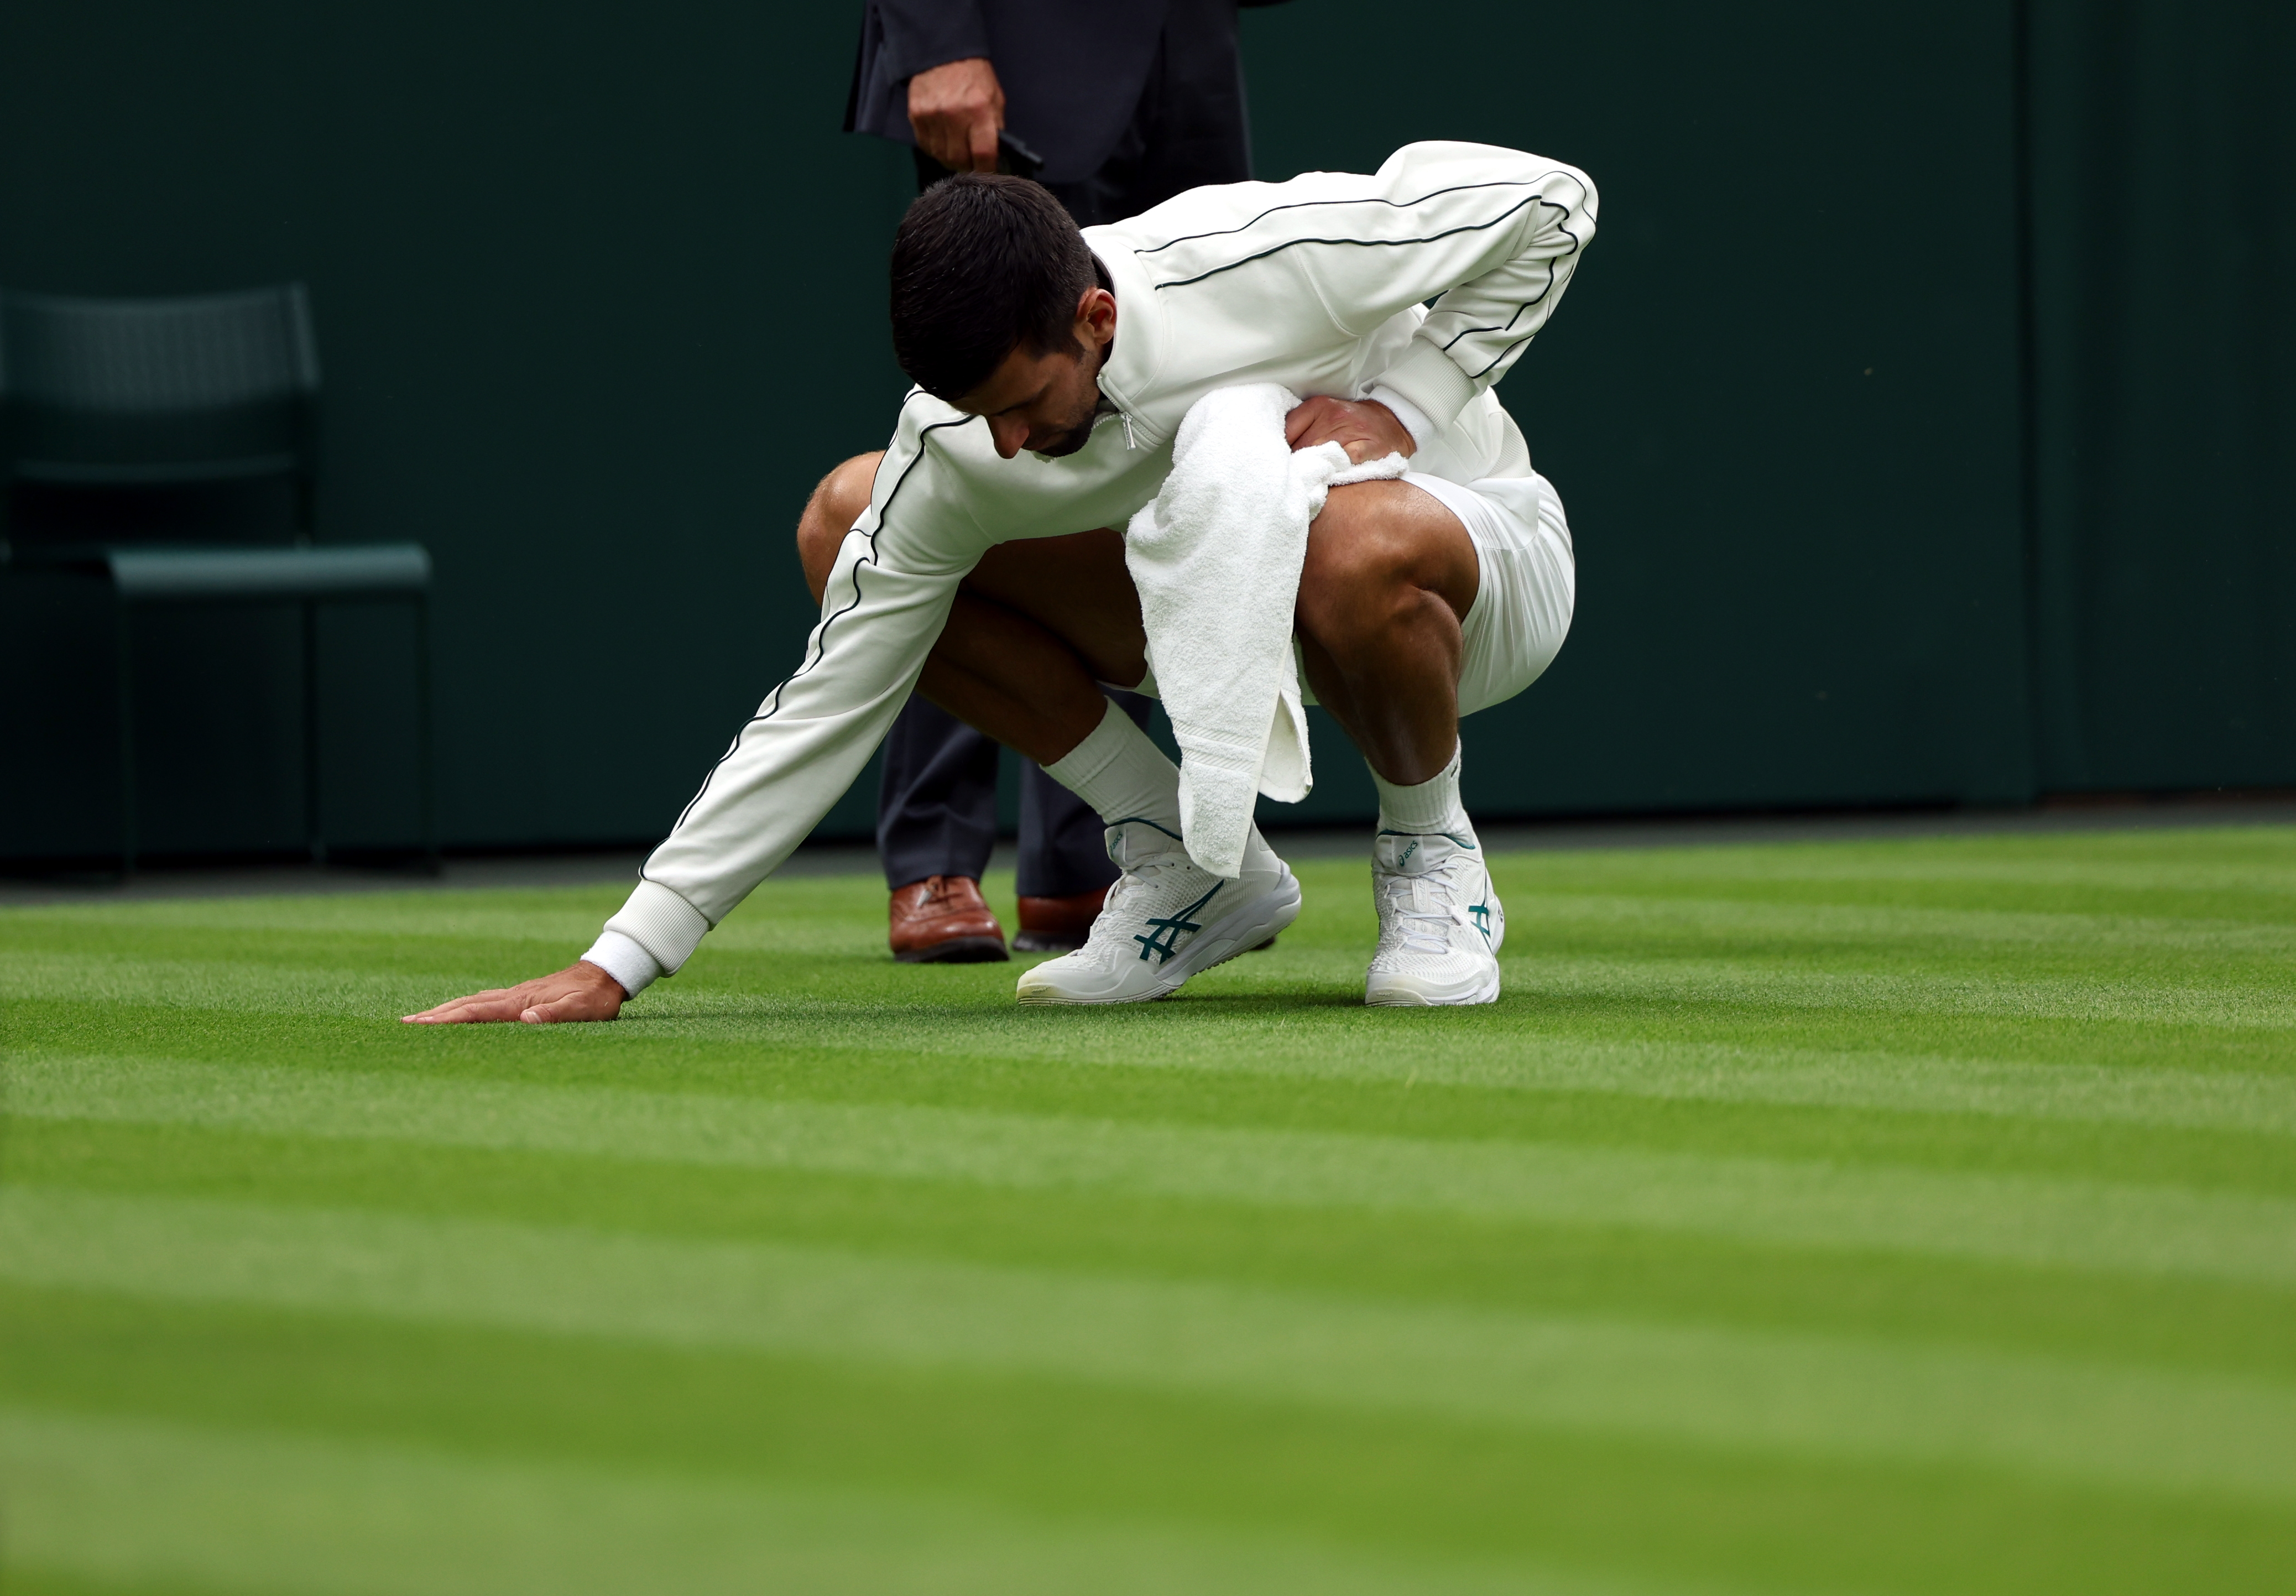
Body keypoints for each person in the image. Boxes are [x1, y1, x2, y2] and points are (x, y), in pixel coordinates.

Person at [406, 140, 1595, 1025]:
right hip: (1214, 610)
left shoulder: (1259, 254)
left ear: (1094, 315)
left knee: (1344, 543)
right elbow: (830, 701)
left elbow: (1554, 201)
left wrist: (1407, 405)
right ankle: (1182, 862)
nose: (1009, 447)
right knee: (845, 519)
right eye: (983, 419)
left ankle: (1429, 849)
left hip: (1476, 577)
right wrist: (620, 960)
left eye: (1026, 405)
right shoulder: (962, 444)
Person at [847, 0, 1277, 961]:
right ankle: (935, 855)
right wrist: (936, 38)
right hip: (1021, 40)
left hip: (1188, 35)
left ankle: (1087, 856)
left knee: (1153, 411)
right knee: (989, 429)